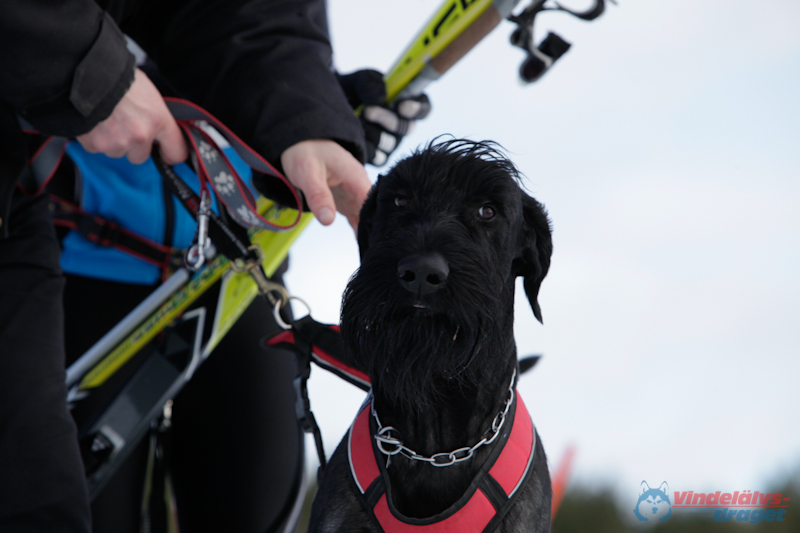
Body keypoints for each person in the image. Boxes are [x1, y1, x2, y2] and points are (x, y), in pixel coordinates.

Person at [0, 0, 428, 531]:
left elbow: (252, 18)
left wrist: (310, 116)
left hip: (234, 276)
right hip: (80, 268)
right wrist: (90, 68)